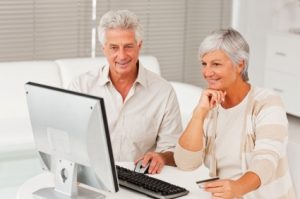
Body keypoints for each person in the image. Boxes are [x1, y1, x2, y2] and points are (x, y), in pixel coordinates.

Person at [174, 28, 295, 198]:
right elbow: (185, 163)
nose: (207, 72)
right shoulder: (210, 105)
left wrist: (238, 187)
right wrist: (199, 114)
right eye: (204, 63)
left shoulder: (267, 103)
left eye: (216, 64)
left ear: (240, 64)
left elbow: (266, 162)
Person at [68, 10, 182, 174]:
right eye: (114, 47)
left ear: (139, 46)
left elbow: (172, 150)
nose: (121, 56)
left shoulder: (163, 92)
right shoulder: (81, 87)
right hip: (92, 176)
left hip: (141, 178)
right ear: (104, 48)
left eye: (128, 46)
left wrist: (162, 157)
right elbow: (69, 141)